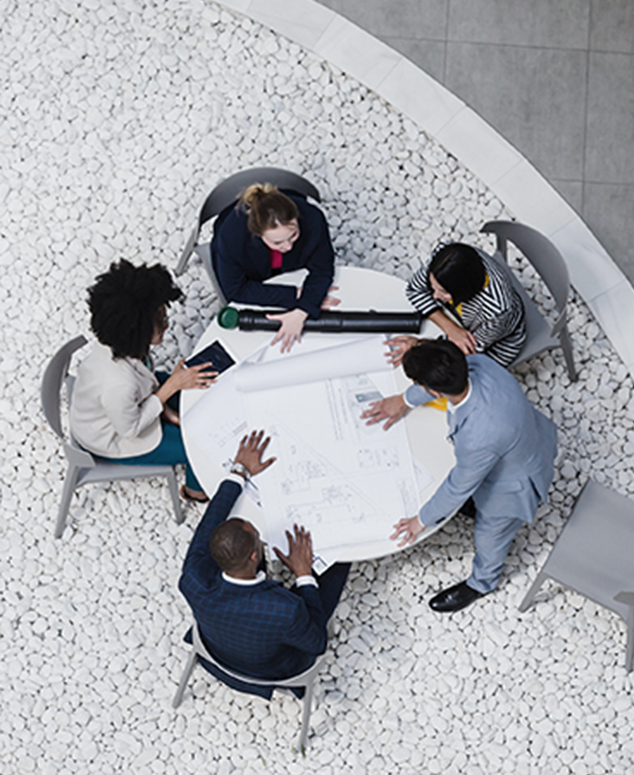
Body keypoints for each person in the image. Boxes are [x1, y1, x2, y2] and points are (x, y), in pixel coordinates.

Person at [363, 340, 557, 613]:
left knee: (490, 537)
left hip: (513, 487)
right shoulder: (479, 364)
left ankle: (482, 583)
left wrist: (421, 521)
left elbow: (458, 486)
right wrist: (404, 400)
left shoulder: (481, 434)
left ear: (432, 390)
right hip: (528, 438)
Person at [178, 430, 351, 698]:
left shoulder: (192, 578)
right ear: (253, 556)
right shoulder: (286, 609)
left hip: (216, 646)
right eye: (258, 538)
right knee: (339, 562)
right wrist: (304, 575)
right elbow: (317, 643)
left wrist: (239, 472)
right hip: (273, 668)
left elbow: (209, 523)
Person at [70, 259, 216, 502]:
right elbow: (130, 430)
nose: (167, 322)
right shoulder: (118, 383)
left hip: (131, 399)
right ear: (135, 329)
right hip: (114, 437)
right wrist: (170, 388)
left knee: (197, 387)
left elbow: (143, 383)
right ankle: (194, 491)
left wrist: (167, 407)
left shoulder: (120, 343)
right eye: (159, 319)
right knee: (199, 443)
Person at [210, 183, 338, 352]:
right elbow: (235, 290)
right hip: (254, 270)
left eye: (293, 235)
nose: (288, 246)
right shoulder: (232, 238)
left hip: (288, 267)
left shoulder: (313, 218)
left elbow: (323, 269)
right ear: (257, 234)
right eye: (277, 242)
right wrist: (294, 295)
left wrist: (302, 310)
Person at [387, 242, 526, 368]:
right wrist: (450, 328)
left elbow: (467, 348)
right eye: (432, 287)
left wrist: (419, 346)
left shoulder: (498, 309)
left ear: (463, 290)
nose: (435, 296)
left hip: (496, 343)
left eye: (443, 292)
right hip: (460, 320)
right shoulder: (446, 257)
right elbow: (415, 290)